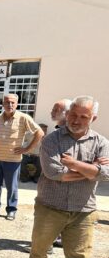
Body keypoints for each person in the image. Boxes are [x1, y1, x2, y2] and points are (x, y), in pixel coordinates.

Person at [25, 95, 109, 258]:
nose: (77, 120)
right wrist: (91, 169)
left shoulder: (101, 142)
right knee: (40, 248)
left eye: (84, 116)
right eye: (73, 114)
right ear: (67, 113)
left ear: (93, 118)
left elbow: (106, 174)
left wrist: (72, 164)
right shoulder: (52, 140)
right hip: (50, 207)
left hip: (84, 210)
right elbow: (53, 173)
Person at [0, 94, 44, 220]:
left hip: (12, 161)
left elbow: (39, 132)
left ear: (17, 104)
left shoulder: (23, 118)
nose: (10, 105)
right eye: (7, 102)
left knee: (12, 187)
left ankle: (11, 209)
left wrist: (27, 149)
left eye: (13, 103)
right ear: (2, 104)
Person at [49, 98, 72, 248]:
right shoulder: (58, 132)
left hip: (64, 182)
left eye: (56, 109)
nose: (52, 111)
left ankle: (49, 243)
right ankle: (56, 238)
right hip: (56, 181)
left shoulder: (70, 135)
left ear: (66, 113)